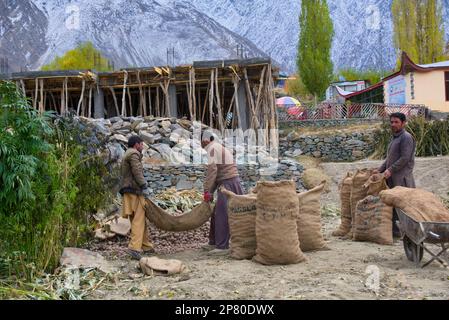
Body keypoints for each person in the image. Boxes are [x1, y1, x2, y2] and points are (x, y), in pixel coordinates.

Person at [374, 112, 416, 236]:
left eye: (396, 122)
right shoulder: (395, 137)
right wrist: (380, 169)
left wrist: (390, 170)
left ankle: (406, 231)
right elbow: (389, 159)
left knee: (403, 205)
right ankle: (395, 231)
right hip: (392, 178)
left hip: (402, 179)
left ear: (403, 123)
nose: (393, 124)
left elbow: (405, 158)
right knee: (392, 204)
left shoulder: (406, 137)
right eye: (391, 122)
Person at [202, 131, 243, 255]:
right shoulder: (218, 146)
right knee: (216, 213)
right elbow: (217, 173)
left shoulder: (212, 148)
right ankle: (214, 242)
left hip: (228, 183)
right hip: (230, 181)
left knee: (222, 214)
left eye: (202, 143)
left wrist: (207, 190)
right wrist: (210, 191)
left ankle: (222, 246)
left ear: (205, 140)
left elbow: (212, 171)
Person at [119, 136, 154, 260]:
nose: (142, 147)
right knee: (138, 220)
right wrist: (144, 186)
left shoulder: (127, 153)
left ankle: (146, 246)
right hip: (134, 191)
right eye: (141, 144)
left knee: (138, 219)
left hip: (128, 191)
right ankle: (134, 248)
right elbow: (137, 171)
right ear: (136, 144)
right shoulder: (134, 154)